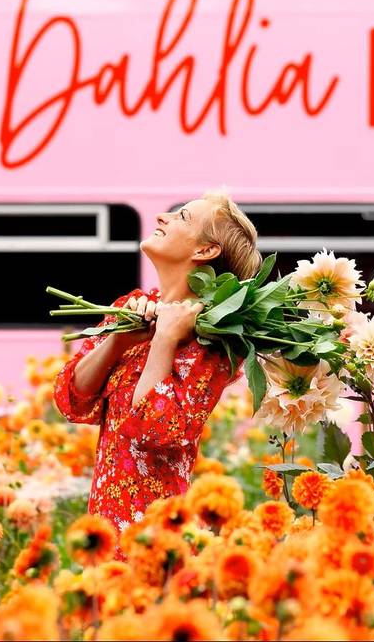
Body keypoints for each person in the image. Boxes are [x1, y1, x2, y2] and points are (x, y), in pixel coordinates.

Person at [53, 189, 262, 534]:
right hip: (105, 534)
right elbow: (71, 398)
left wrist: (164, 338)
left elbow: (152, 431)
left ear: (205, 250)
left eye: (181, 217)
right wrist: (120, 340)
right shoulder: (135, 304)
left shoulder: (215, 340)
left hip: (156, 538)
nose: (162, 217)